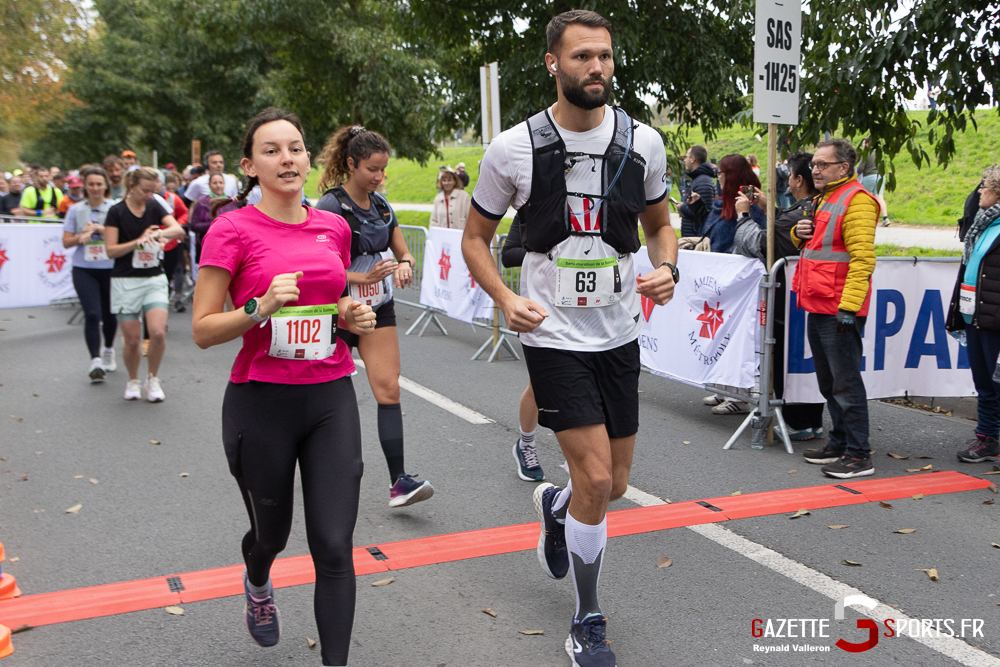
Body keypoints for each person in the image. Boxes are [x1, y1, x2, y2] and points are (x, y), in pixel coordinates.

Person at [462, 11, 677, 665]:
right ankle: (587, 616)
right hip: (553, 334)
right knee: (594, 475)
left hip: (619, 331)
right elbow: (476, 238)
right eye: (582, 56)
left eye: (605, 56)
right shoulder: (513, 148)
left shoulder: (644, 144)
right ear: (553, 64)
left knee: (612, 486)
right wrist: (504, 298)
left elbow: (660, 226)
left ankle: (555, 507)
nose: (597, 68)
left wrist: (667, 266)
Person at [192, 107, 376, 666]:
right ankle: (257, 581)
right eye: (271, 150)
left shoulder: (332, 226)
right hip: (260, 404)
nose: (288, 158)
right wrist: (259, 307)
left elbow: (331, 300)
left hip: (328, 397)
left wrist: (351, 313)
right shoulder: (231, 230)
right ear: (250, 166)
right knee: (270, 535)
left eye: (295, 147)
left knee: (334, 546)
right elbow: (202, 330)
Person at [315, 125, 434, 508]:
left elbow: (403, 251)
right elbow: (318, 265)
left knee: (388, 390)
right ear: (351, 164)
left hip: (377, 307)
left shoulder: (382, 206)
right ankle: (308, 464)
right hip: (338, 308)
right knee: (317, 392)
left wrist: (404, 264)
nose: (380, 177)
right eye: (372, 169)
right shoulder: (331, 206)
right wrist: (358, 277)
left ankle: (399, 482)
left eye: (383, 170)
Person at [794, 139, 878, 478]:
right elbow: (817, 245)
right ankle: (840, 442)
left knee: (846, 383)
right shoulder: (825, 197)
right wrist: (798, 233)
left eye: (822, 164)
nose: (814, 169)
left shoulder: (856, 200)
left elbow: (862, 260)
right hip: (819, 302)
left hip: (839, 307)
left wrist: (849, 308)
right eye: (814, 164)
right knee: (829, 382)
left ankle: (859, 454)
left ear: (843, 168)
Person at [731, 152, 827, 440]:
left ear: (798, 180)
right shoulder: (812, 209)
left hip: (790, 301)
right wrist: (765, 205)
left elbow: (760, 242)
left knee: (787, 360)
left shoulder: (803, 214)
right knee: (810, 363)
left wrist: (743, 215)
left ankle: (799, 423)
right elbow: (783, 227)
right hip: (809, 300)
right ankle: (810, 422)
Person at [103, 167, 185, 401]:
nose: (150, 195)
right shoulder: (116, 211)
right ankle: (133, 380)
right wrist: (138, 241)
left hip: (153, 277)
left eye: (153, 190)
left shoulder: (155, 205)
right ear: (132, 186)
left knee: (157, 333)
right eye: (145, 190)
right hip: (125, 280)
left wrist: (159, 235)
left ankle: (153, 378)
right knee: (132, 341)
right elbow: (110, 251)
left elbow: (178, 229)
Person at [946, 166, 1000, 465]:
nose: (979, 191)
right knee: (983, 381)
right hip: (974, 314)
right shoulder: (983, 222)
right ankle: (987, 437)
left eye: (985, 187)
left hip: (995, 318)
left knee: (998, 382)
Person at [62, 167, 119, 382]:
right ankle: (95, 360)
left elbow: (123, 234)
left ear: (105, 186)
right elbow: (65, 242)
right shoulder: (75, 210)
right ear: (84, 186)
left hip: (111, 267)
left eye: (99, 184)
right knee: (93, 314)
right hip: (84, 268)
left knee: (110, 313)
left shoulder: (114, 208)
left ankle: (108, 349)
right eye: (91, 184)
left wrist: (102, 230)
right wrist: (81, 236)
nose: (95, 188)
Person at [501, 213, 545, 482]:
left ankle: (582, 451)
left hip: (584, 311)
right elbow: (509, 255)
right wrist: (547, 251)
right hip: (539, 306)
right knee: (541, 383)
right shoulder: (532, 206)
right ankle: (525, 443)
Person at [697, 154, 765, 256]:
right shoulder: (721, 204)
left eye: (720, 173)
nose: (718, 178)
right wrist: (696, 207)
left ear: (731, 176)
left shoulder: (751, 208)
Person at [678, 144, 716, 237]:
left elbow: (704, 213)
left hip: (696, 238)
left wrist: (682, 207)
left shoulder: (703, 182)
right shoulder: (698, 179)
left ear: (693, 159)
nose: (684, 160)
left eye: (686, 157)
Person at [857, 137, 891, 227]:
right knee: (880, 197)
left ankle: (864, 217)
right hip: (880, 176)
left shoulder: (866, 153)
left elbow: (860, 168)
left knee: (863, 197)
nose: (863, 145)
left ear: (867, 144)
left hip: (868, 177)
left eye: (864, 143)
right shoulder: (879, 153)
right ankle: (885, 218)